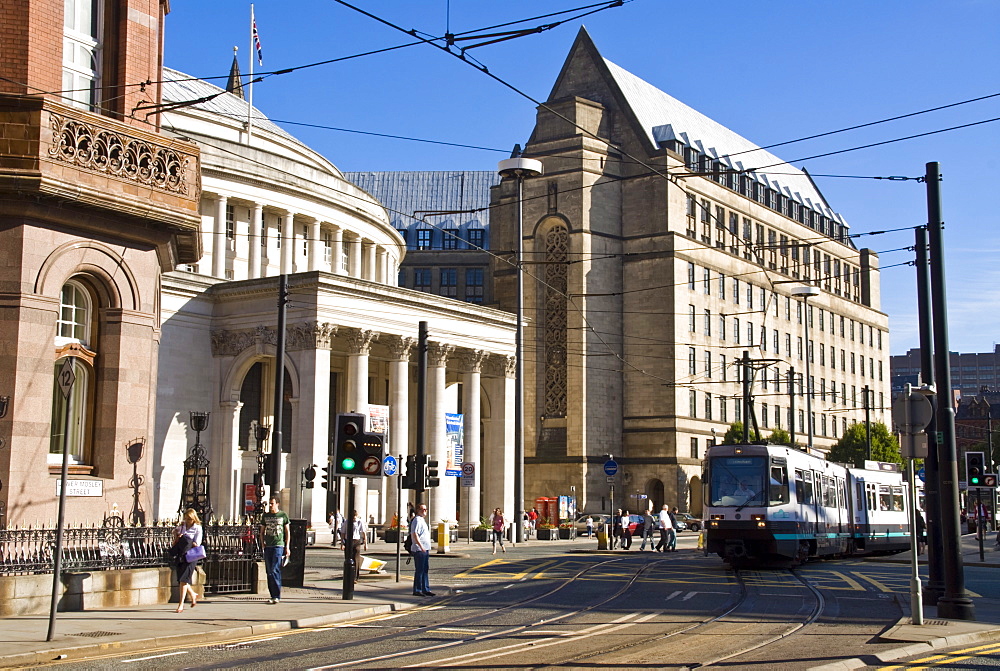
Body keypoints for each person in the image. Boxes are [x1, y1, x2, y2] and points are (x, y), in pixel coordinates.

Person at [260, 496, 291, 604]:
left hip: (278, 545)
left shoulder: (283, 515)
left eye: (272, 503)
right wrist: (262, 543)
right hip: (268, 546)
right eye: (269, 503)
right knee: (269, 572)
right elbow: (262, 531)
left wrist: (287, 547)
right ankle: (272, 595)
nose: (270, 505)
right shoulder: (265, 516)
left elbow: (287, 531)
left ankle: (277, 595)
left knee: (274, 570)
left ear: (277, 504)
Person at [171, 508, 203, 613]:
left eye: (189, 519)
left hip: (190, 556)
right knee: (181, 580)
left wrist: (187, 539)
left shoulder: (197, 528)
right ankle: (193, 594)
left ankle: (181, 605)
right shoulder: (182, 526)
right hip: (181, 555)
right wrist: (178, 535)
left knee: (183, 580)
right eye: (186, 518)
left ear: (193, 518)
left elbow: (197, 543)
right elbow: (174, 533)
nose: (187, 521)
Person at [409, 503, 434, 596]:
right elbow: (414, 533)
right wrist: (420, 546)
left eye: (426, 509)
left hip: (425, 548)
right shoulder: (416, 520)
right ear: (418, 511)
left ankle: (425, 588)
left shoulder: (422, 520)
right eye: (423, 509)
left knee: (425, 569)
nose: (425, 511)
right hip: (419, 549)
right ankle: (417, 590)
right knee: (419, 570)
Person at [341, 509, 368, 583]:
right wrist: (342, 543)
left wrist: (366, 544)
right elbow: (343, 532)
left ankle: (355, 577)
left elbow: (363, 533)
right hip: (348, 541)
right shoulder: (347, 522)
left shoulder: (360, 522)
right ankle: (347, 576)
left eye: (355, 517)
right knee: (348, 559)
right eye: (353, 517)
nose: (354, 518)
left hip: (356, 541)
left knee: (356, 559)